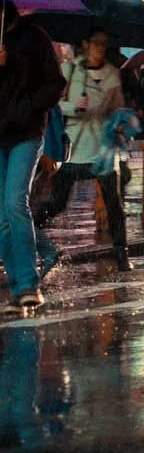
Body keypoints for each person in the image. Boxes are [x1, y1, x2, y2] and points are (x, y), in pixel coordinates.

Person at [36, 29, 130, 270]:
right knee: (58, 202)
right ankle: (31, 232)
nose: (100, 48)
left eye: (104, 44)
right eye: (96, 43)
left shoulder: (111, 75)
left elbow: (117, 109)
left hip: (103, 150)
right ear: (85, 44)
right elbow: (54, 105)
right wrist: (74, 106)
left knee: (113, 204)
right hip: (74, 148)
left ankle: (121, 252)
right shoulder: (69, 70)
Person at [0, 16, 63, 309]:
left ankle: (28, 283)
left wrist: (29, 108)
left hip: (25, 133)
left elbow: (55, 84)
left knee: (15, 202)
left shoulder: (32, 37)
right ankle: (16, 286)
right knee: (1, 217)